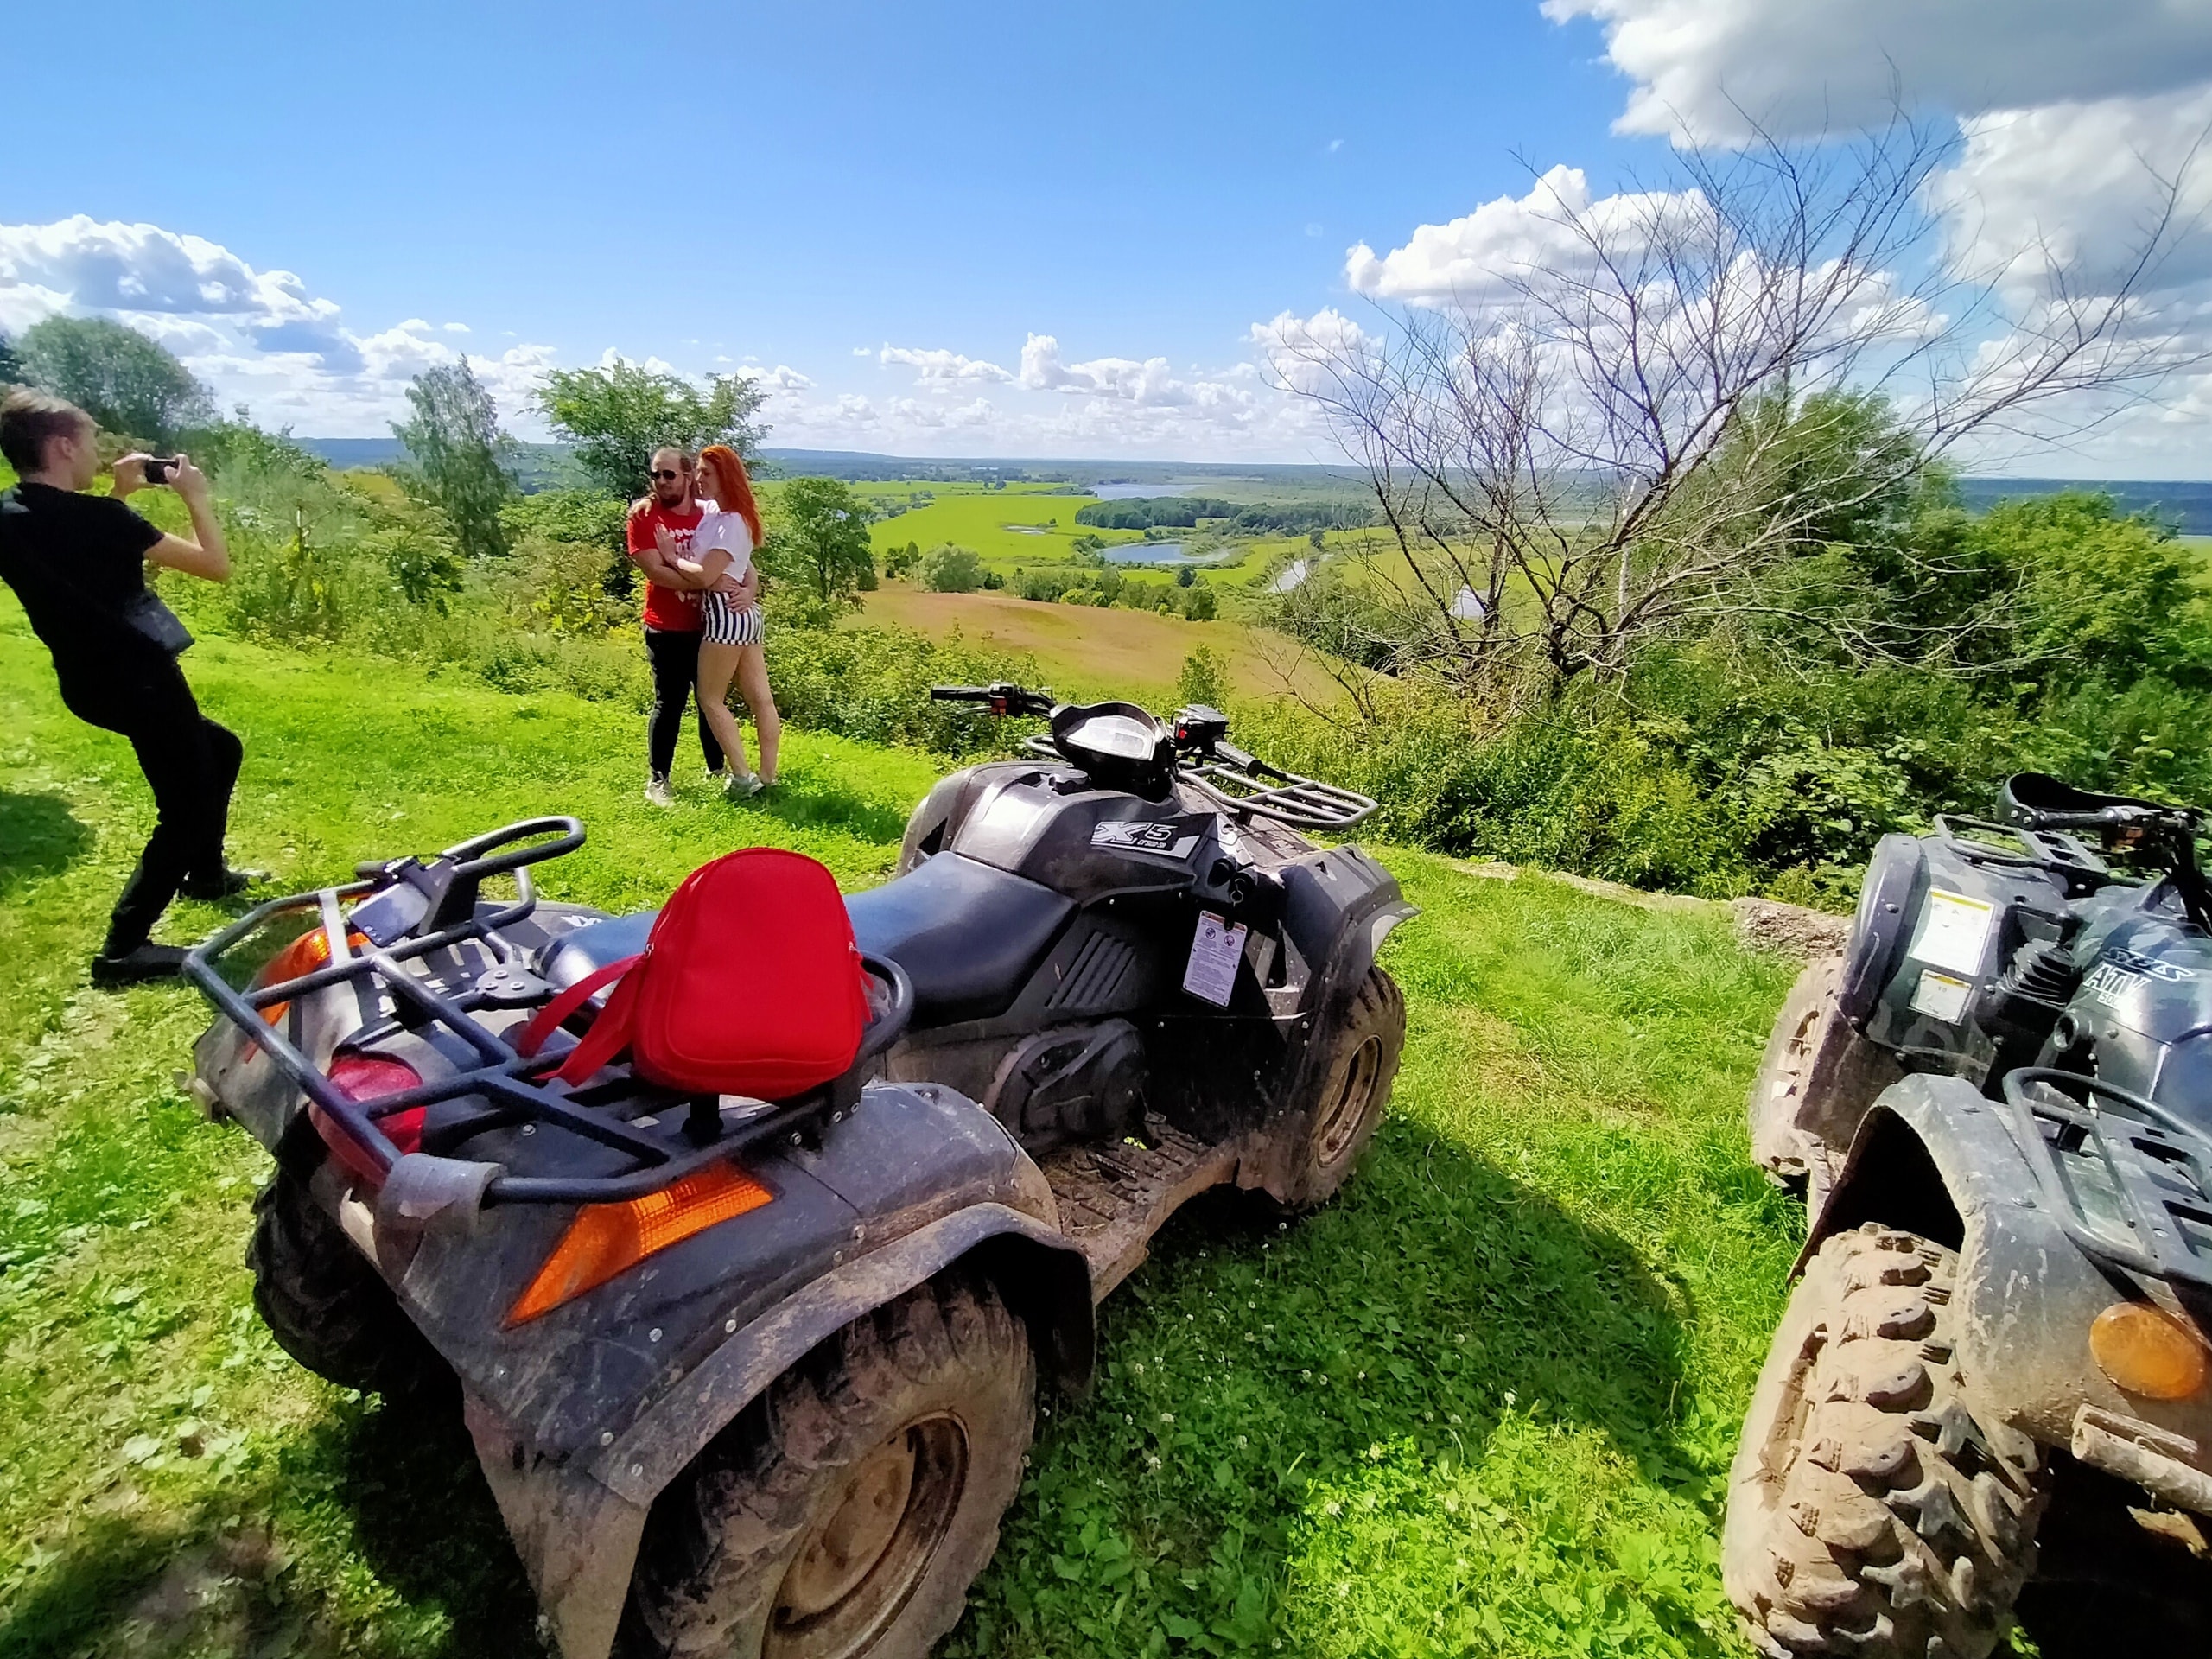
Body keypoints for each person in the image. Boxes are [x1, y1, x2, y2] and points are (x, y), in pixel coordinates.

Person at [0, 389, 261, 986]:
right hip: (140, 679)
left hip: (88, 683)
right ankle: (123, 950)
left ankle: (207, 877)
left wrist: (119, 493)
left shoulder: (8, 516)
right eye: (89, 441)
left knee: (219, 749)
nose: (97, 453)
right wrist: (195, 497)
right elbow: (214, 565)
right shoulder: (105, 520)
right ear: (63, 445)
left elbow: (79, 554)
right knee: (186, 807)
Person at [626, 446, 757, 807]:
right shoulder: (644, 518)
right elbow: (657, 573)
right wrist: (709, 581)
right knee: (669, 703)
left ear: (686, 476)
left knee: (710, 702)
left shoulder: (710, 513)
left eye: (670, 474)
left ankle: (717, 770)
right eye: (656, 475)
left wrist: (748, 591)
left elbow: (743, 562)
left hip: (709, 624)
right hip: (666, 627)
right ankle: (658, 779)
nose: (662, 481)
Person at [664, 444, 780, 795]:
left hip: (724, 615)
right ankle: (768, 775)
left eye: (706, 473)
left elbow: (703, 575)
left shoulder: (730, 521)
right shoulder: (720, 511)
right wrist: (750, 583)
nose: (699, 479)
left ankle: (743, 777)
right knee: (761, 698)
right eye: (698, 471)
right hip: (743, 614)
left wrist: (671, 557)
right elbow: (743, 563)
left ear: (725, 477)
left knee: (711, 698)